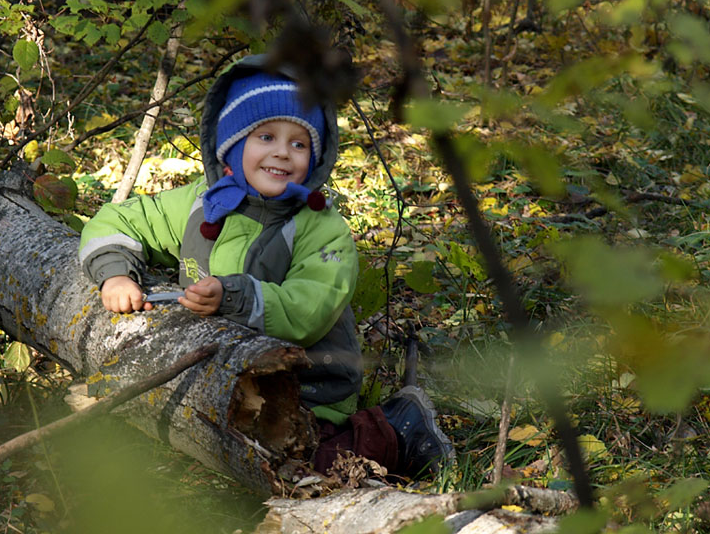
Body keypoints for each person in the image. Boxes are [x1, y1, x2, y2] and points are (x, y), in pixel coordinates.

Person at [78, 53, 454, 478]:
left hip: (309, 384)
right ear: (232, 146)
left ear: (315, 158)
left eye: (298, 143)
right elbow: (120, 219)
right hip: (227, 372)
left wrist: (235, 295)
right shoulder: (202, 203)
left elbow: (309, 308)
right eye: (265, 137)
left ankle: (397, 429)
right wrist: (114, 272)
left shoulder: (320, 227)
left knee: (304, 465)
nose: (282, 153)